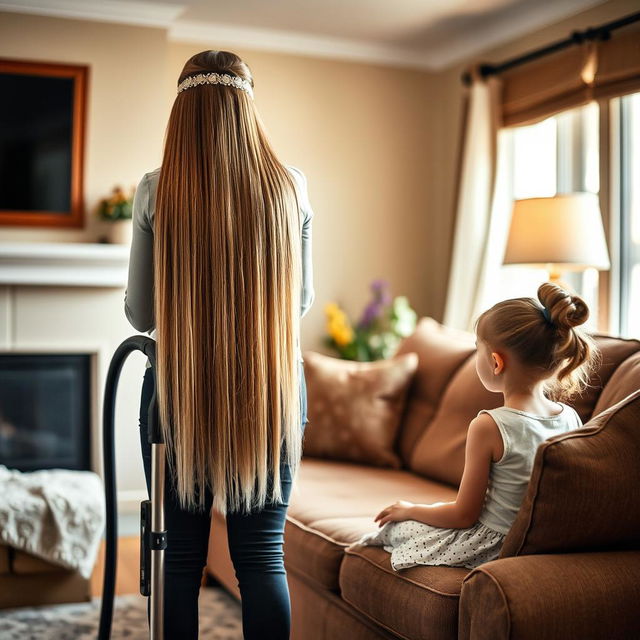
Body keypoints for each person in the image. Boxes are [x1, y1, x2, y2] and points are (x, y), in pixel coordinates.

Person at [124, 50, 315, 639]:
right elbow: (298, 303)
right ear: (247, 109)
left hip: (178, 392)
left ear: (182, 113)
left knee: (178, 561)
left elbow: (140, 313)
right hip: (270, 391)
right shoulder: (291, 188)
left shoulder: (157, 189)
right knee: (262, 559)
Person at [346, 282, 600, 571]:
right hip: (539, 544)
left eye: (476, 348)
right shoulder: (570, 417)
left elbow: (464, 515)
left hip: (496, 546)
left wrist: (411, 509)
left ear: (495, 362)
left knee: (394, 530)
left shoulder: (489, 425)